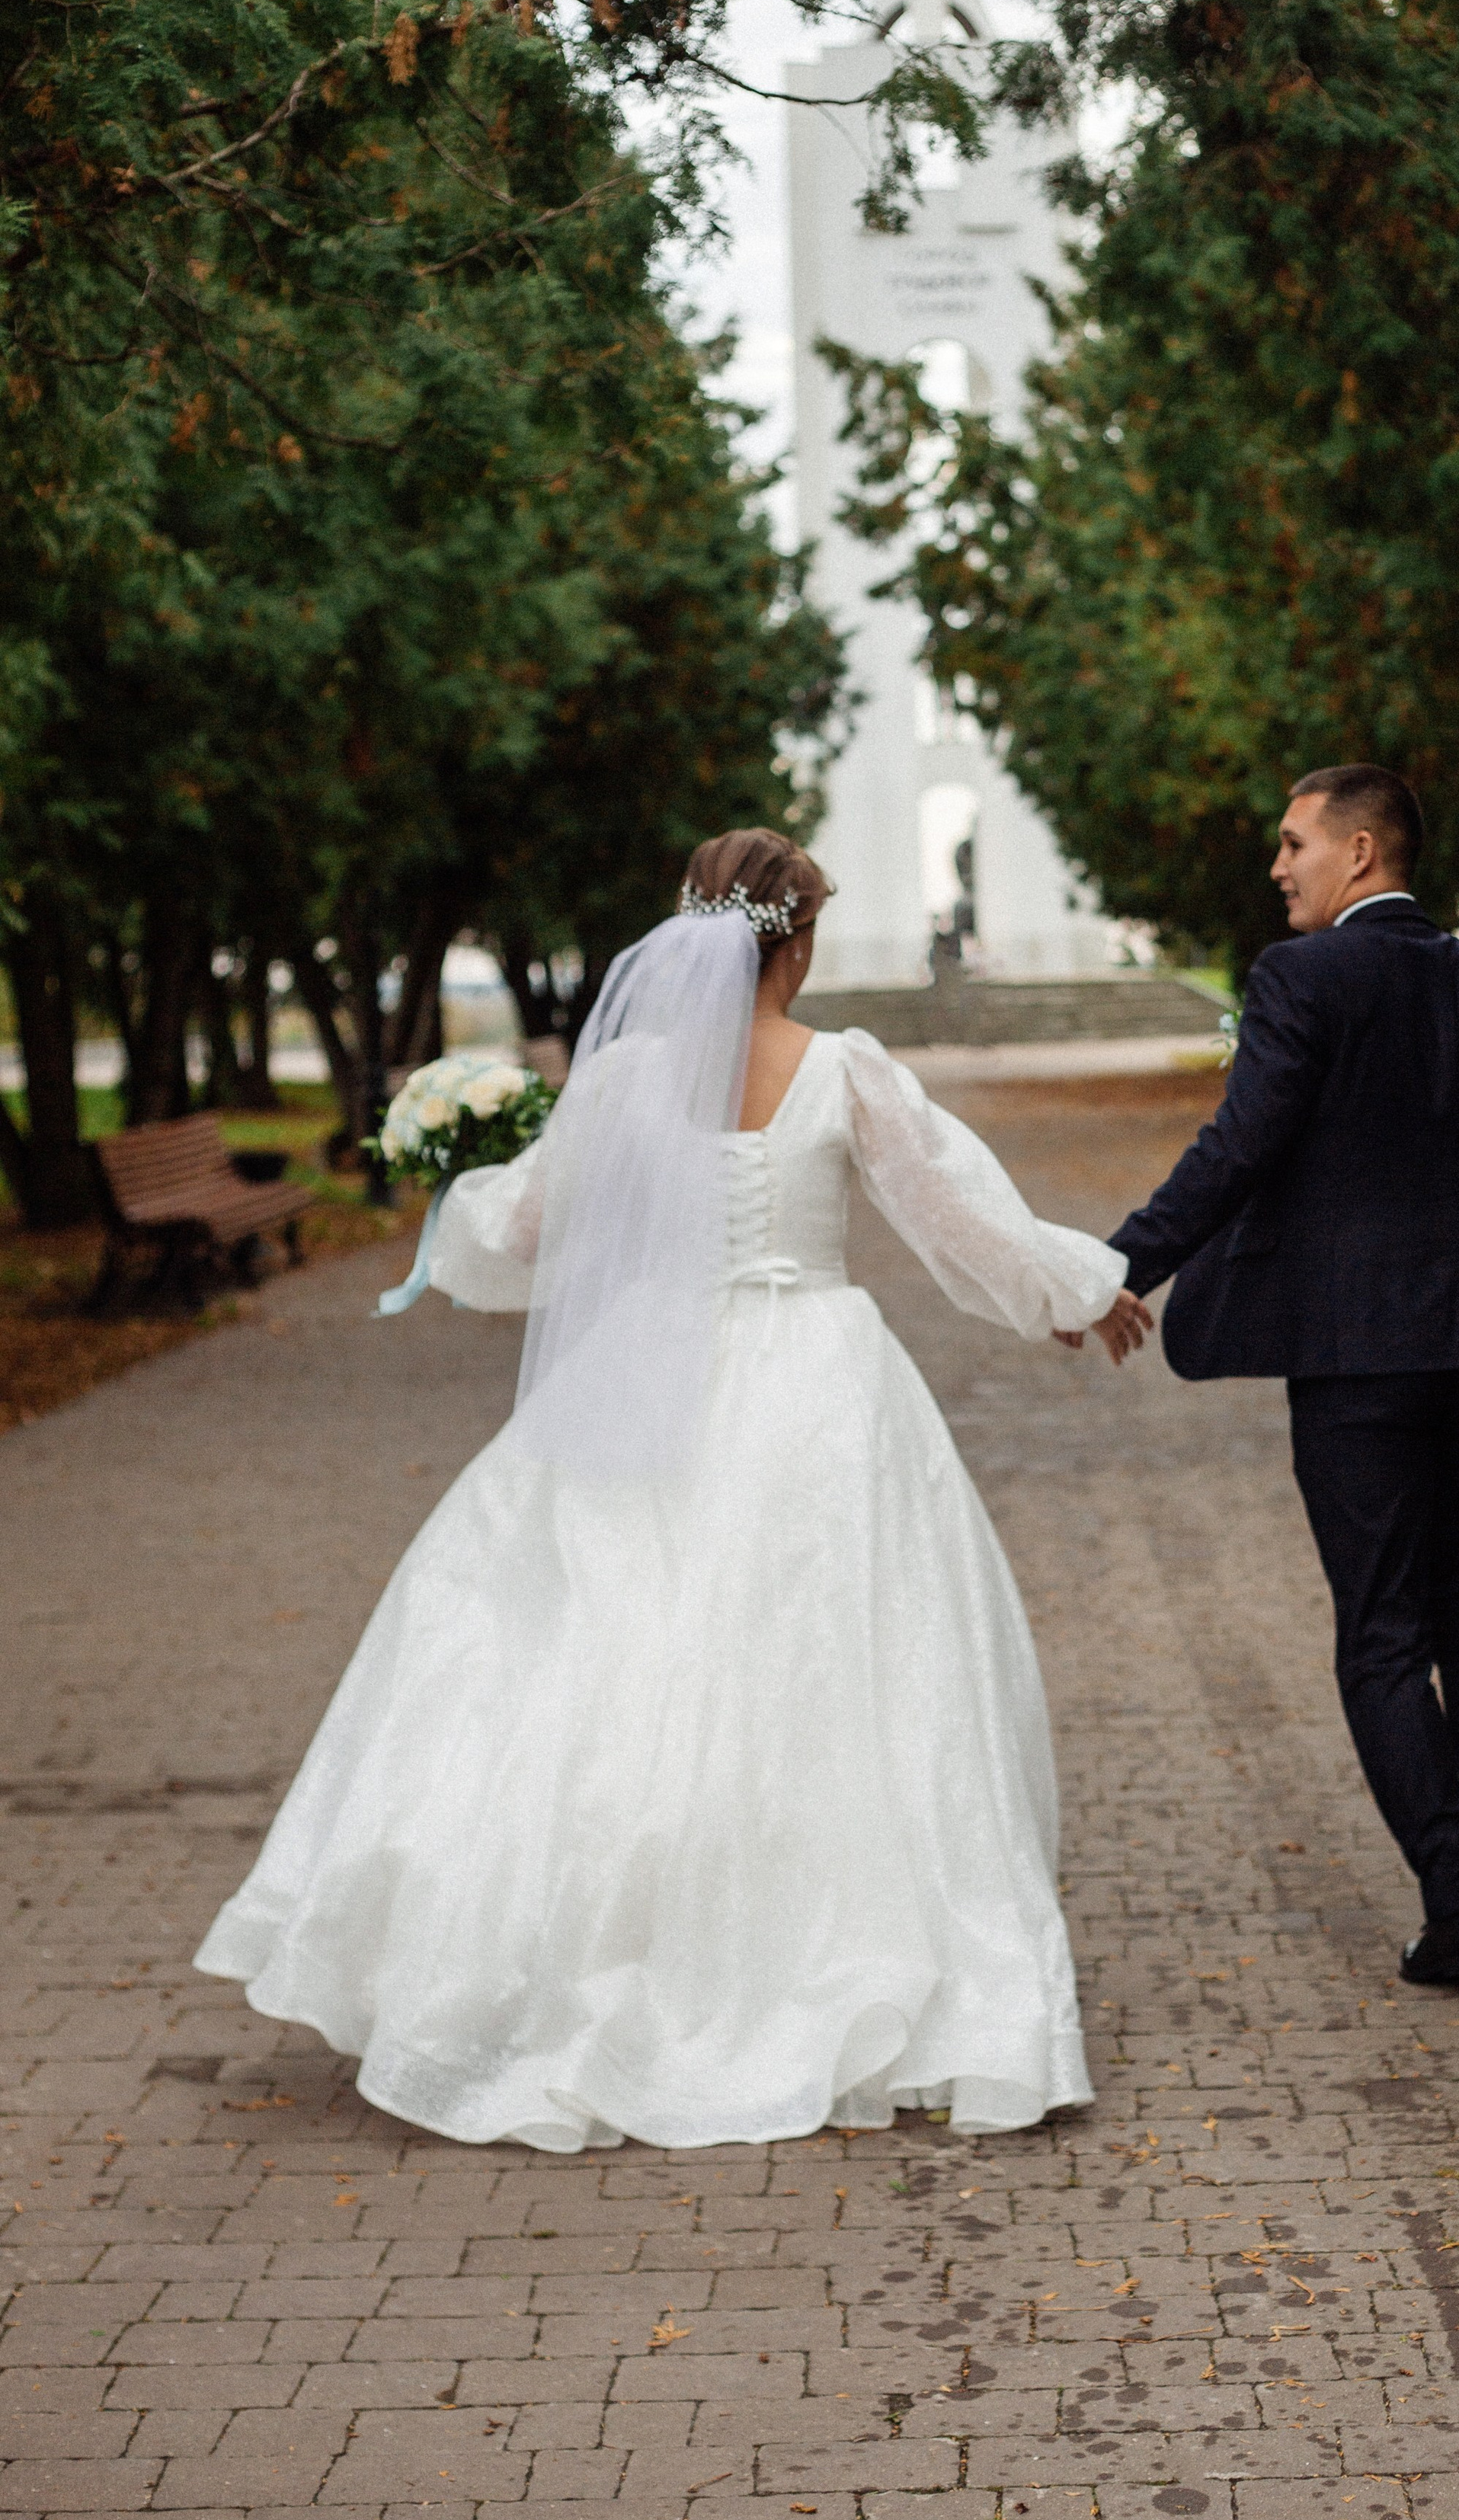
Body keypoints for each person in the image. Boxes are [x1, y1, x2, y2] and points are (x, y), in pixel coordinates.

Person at [197, 830, 1150, 2150]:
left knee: (610, 1660)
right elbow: (955, 1219)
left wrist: (454, 1197)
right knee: (828, 1672)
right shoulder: (847, 1072)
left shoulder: (625, 1078)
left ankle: (594, 1960)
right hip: (818, 1380)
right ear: (798, 943)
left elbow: (526, 1232)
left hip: (644, 1381)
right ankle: (822, 1949)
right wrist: (1073, 1295)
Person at [1099, 766, 1459, 1985]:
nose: (1278, 867)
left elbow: (1240, 1145)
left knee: (1382, 1625)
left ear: (1363, 851)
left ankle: (1454, 1900)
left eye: (1294, 845)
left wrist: (1115, 1266)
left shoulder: (1302, 977)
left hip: (1357, 1358)